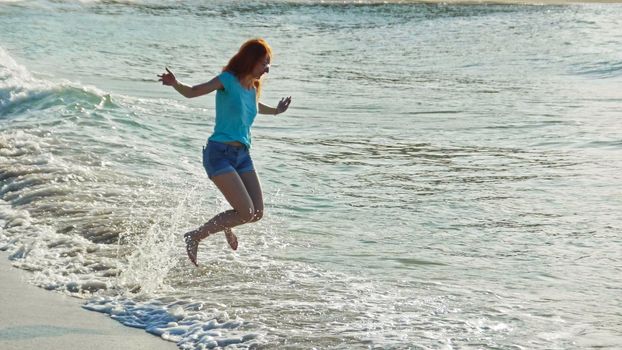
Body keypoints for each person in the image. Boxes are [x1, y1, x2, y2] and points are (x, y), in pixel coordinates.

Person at [158, 38, 292, 266]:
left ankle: (226, 223)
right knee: (246, 212)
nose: (267, 69)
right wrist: (175, 83)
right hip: (219, 154)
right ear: (250, 61)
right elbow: (193, 92)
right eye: (263, 63)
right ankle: (194, 236)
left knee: (256, 213)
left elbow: (255, 106)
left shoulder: (253, 88)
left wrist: (277, 111)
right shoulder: (227, 80)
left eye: (269, 64)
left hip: (243, 156)